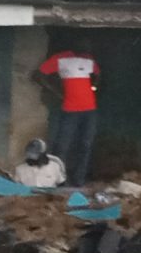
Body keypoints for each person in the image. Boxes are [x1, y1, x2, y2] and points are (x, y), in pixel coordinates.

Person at [36, 44, 100, 184]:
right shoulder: (61, 58)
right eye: (84, 41)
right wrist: (58, 93)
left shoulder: (88, 59)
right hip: (70, 109)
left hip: (90, 110)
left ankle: (79, 181)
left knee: (85, 145)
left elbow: (97, 75)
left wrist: (93, 87)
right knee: (62, 147)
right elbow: (39, 75)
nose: (87, 44)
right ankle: (58, 180)